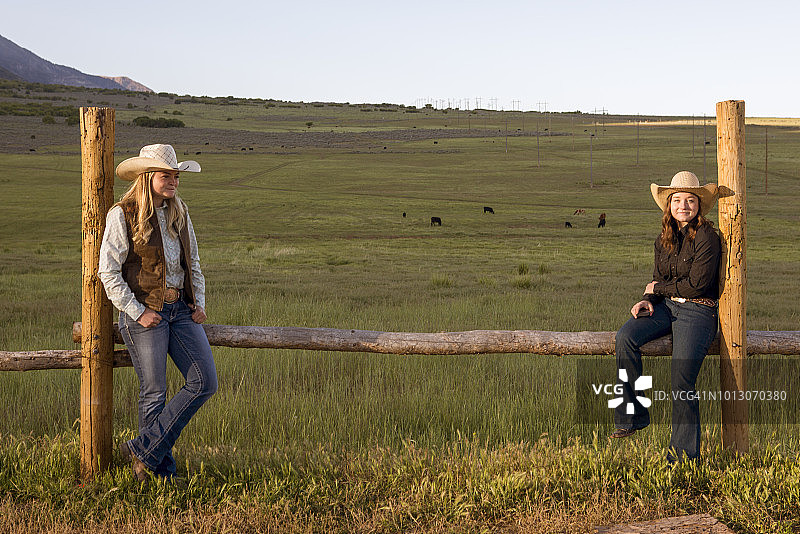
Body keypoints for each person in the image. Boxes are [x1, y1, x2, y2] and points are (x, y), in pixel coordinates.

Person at [98, 144, 217, 482]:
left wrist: (198, 301)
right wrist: (137, 312)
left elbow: (193, 261)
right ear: (147, 176)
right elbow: (108, 272)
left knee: (205, 381)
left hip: (180, 310)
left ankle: (141, 449)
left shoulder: (179, 213)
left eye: (176, 176)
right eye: (167, 175)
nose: (174, 181)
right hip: (145, 312)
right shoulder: (123, 214)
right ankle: (159, 474)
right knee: (154, 392)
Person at [611, 171, 720, 462]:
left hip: (698, 310)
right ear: (669, 205)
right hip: (667, 306)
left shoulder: (707, 236)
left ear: (698, 204)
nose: (683, 206)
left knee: (682, 381)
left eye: (690, 200)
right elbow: (658, 279)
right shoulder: (663, 240)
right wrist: (648, 300)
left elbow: (697, 285)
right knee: (625, 338)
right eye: (677, 200)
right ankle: (632, 416)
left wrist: (657, 289)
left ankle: (683, 460)